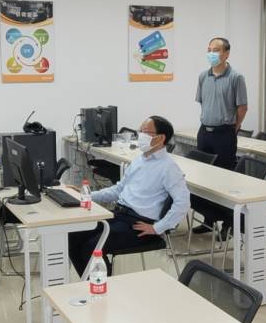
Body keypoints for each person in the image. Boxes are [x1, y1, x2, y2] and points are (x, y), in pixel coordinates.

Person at [68, 115, 190, 276]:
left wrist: (158, 227)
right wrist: (86, 195)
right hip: (118, 215)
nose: (141, 136)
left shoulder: (168, 167)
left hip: (139, 226)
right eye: (141, 131)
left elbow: (183, 202)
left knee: (92, 246)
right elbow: (118, 190)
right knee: (73, 235)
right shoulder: (140, 160)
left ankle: (103, 287)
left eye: (146, 132)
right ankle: (89, 283)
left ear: (161, 138)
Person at [195, 37, 248, 170]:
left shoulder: (236, 77)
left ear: (226, 54)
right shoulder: (203, 76)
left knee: (224, 172)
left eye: (216, 50)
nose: (211, 54)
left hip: (224, 133)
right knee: (202, 170)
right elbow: (203, 103)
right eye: (209, 50)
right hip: (204, 132)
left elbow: (242, 107)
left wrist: (233, 127)